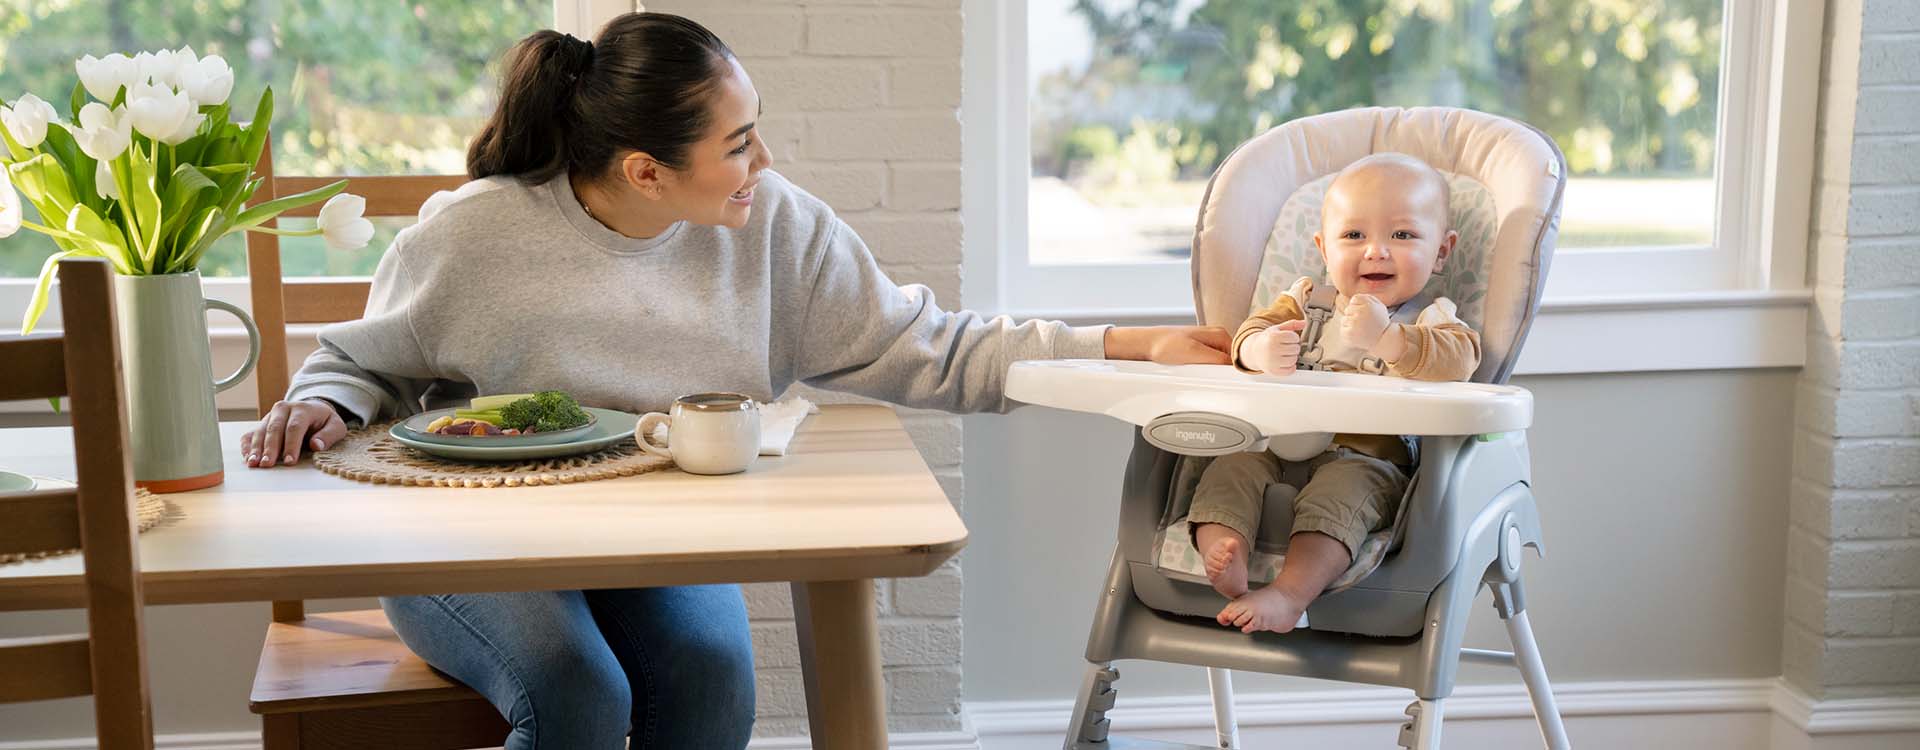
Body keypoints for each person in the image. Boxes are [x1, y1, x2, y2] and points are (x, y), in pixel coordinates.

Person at [238, 12, 1228, 749]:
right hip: (472, 538)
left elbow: (936, 347)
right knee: (578, 693)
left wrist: (1133, 345)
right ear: (647, 172)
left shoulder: (778, 230)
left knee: (711, 680)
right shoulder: (474, 236)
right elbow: (357, 361)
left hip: (658, 537)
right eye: (738, 143)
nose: (767, 159)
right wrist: (322, 402)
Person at [1189, 152, 1481, 635]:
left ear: (1442, 252)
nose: (1376, 251)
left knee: (1338, 497)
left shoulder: (1434, 319)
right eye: (1354, 235)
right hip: (1277, 446)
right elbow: (1245, 336)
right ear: (1324, 249)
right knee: (1230, 468)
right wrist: (1260, 349)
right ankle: (1224, 550)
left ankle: (1288, 594)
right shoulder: (1307, 302)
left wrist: (1389, 340)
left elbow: (1461, 361)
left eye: (1402, 235)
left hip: (1367, 461)